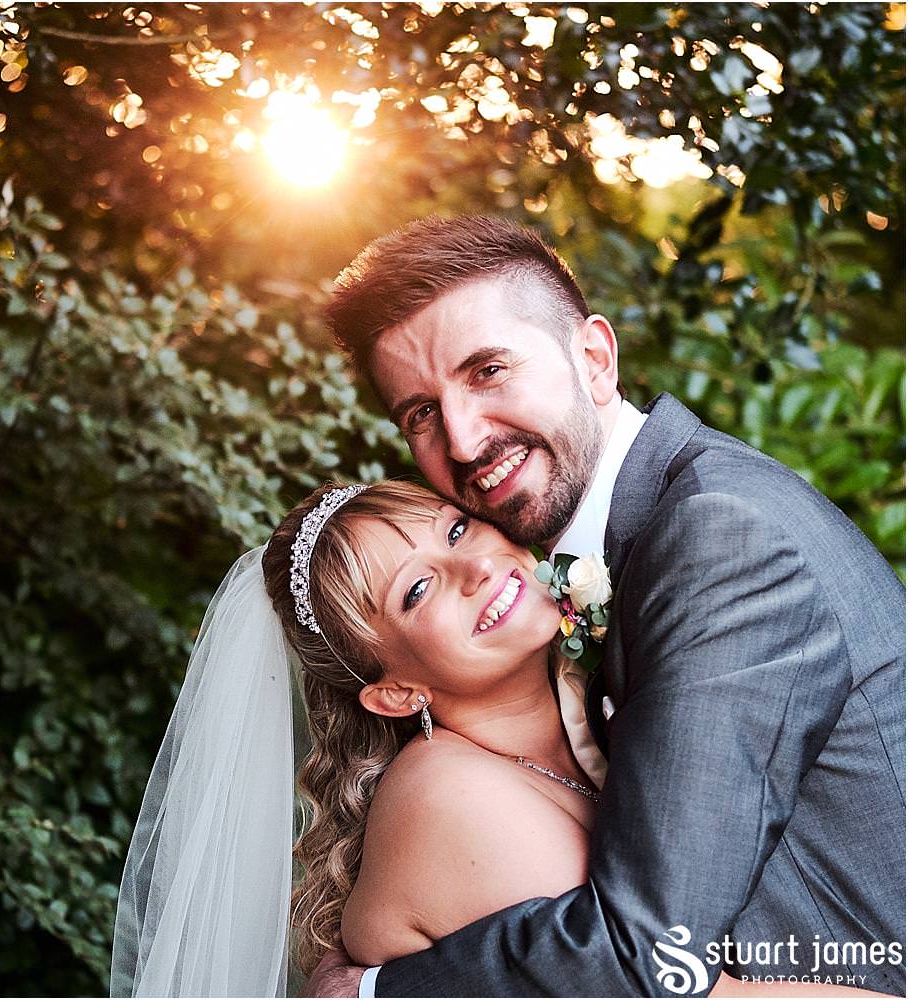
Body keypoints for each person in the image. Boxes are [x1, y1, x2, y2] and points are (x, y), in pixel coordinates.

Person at [300, 215, 906, 997]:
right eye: (420, 412)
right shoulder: (632, 537)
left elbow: (648, 952)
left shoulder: (718, 536)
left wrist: (376, 991)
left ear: (593, 358)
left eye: (487, 371)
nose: (461, 439)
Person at [110, 479, 891, 998]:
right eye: (416, 590)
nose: (473, 568)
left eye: (455, 528)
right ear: (394, 691)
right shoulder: (447, 795)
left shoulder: (603, 701)